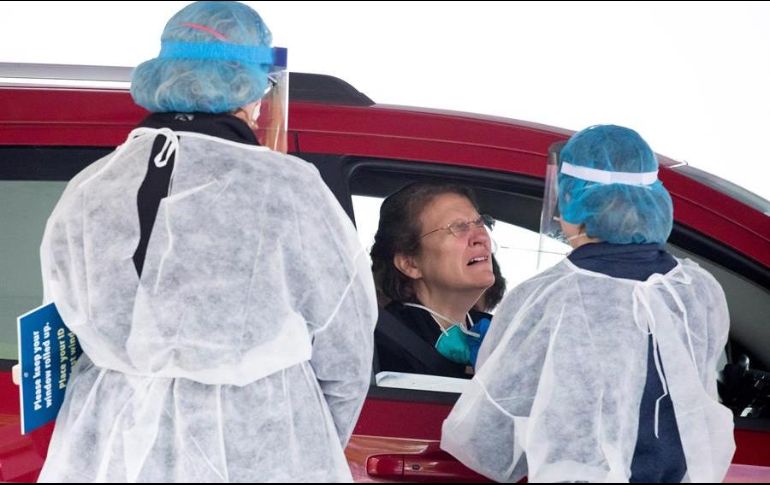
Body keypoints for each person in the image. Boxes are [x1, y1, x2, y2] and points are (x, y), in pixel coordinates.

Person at [37, 2, 377, 482]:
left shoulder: (89, 190)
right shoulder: (288, 189)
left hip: (110, 455)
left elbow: (59, 338)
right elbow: (345, 351)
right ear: (251, 89)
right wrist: (306, 444)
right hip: (259, 454)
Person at [441, 125, 735, 482]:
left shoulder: (548, 297)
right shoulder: (698, 291)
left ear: (576, 201)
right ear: (652, 198)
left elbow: (486, 441)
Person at [370, 183, 499, 379]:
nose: (481, 237)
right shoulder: (383, 344)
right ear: (410, 264)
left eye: (480, 222)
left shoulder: (500, 333)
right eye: (459, 227)